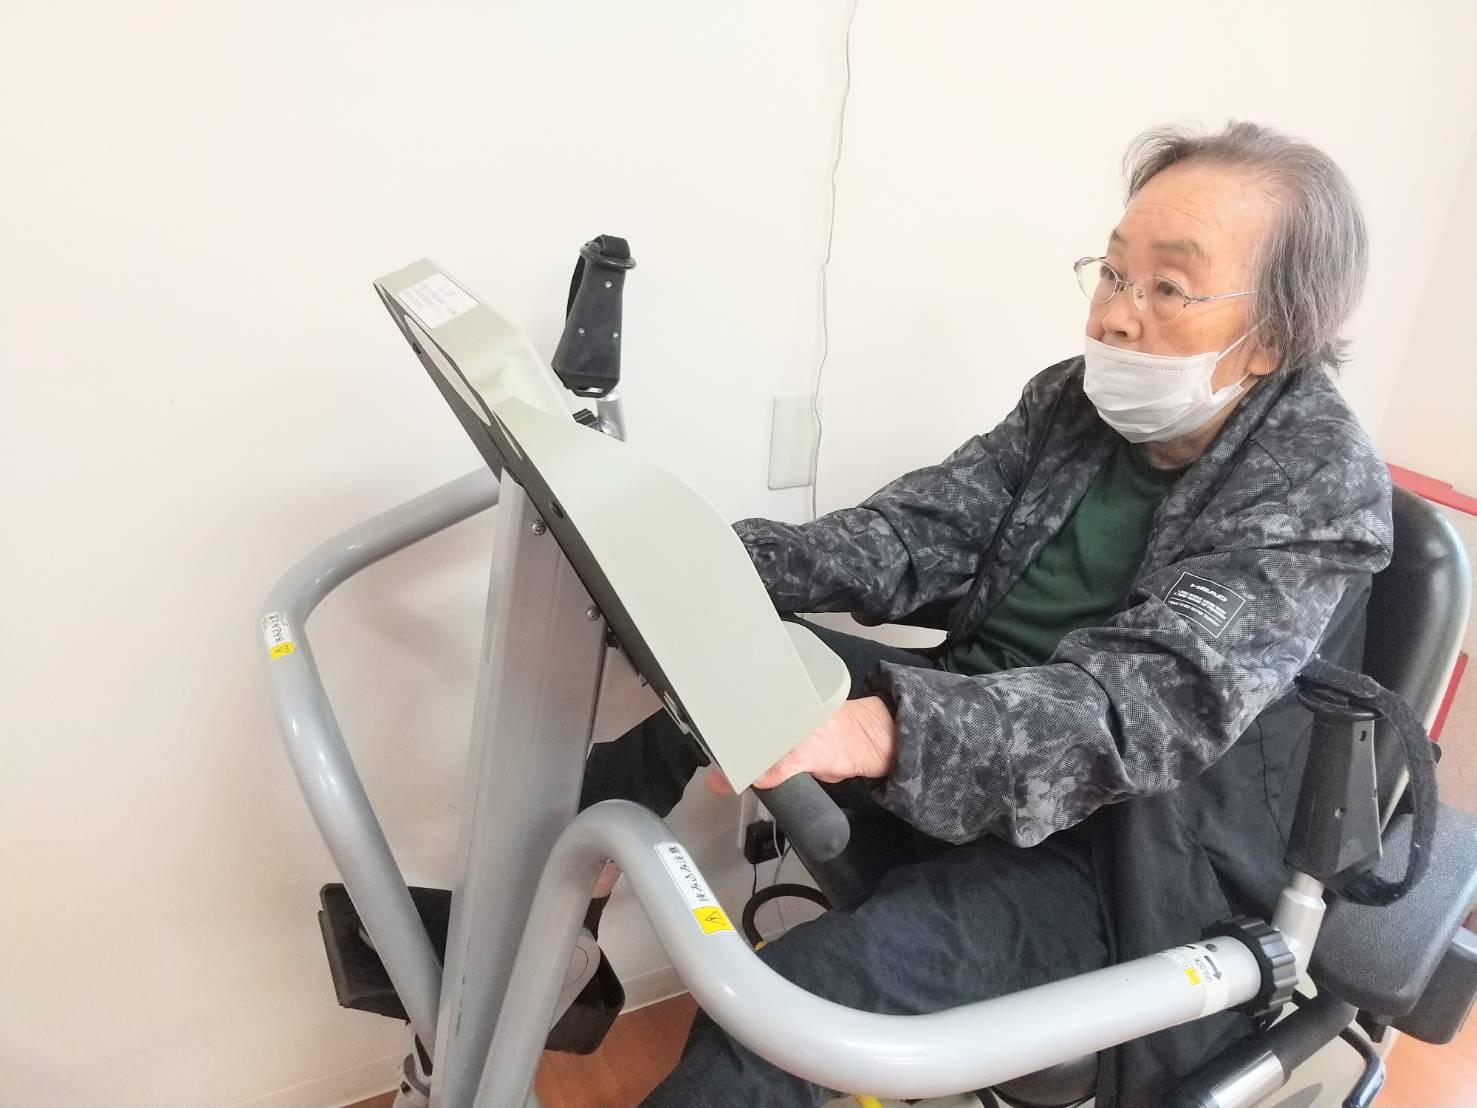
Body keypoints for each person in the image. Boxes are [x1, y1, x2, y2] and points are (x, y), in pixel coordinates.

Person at [580, 121, 1392, 1106]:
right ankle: (547, 934)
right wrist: (716, 565)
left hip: (1122, 860)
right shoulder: (1073, 404)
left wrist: (885, 729)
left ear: (1271, 337)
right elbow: (915, 532)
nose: (1116, 317)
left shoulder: (1314, 482)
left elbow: (1139, 708)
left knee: (787, 1008)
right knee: (721, 665)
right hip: (971, 742)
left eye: (1168, 288)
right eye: (1113, 273)